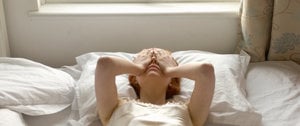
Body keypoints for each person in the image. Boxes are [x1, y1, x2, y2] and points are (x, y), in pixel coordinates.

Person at [95, 48, 215, 126]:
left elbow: (205, 71)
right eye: (146, 57)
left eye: (161, 60)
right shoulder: (115, 108)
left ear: (173, 79)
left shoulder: (189, 112)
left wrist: (169, 70)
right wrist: (139, 67)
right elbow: (105, 65)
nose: (153, 61)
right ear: (134, 78)